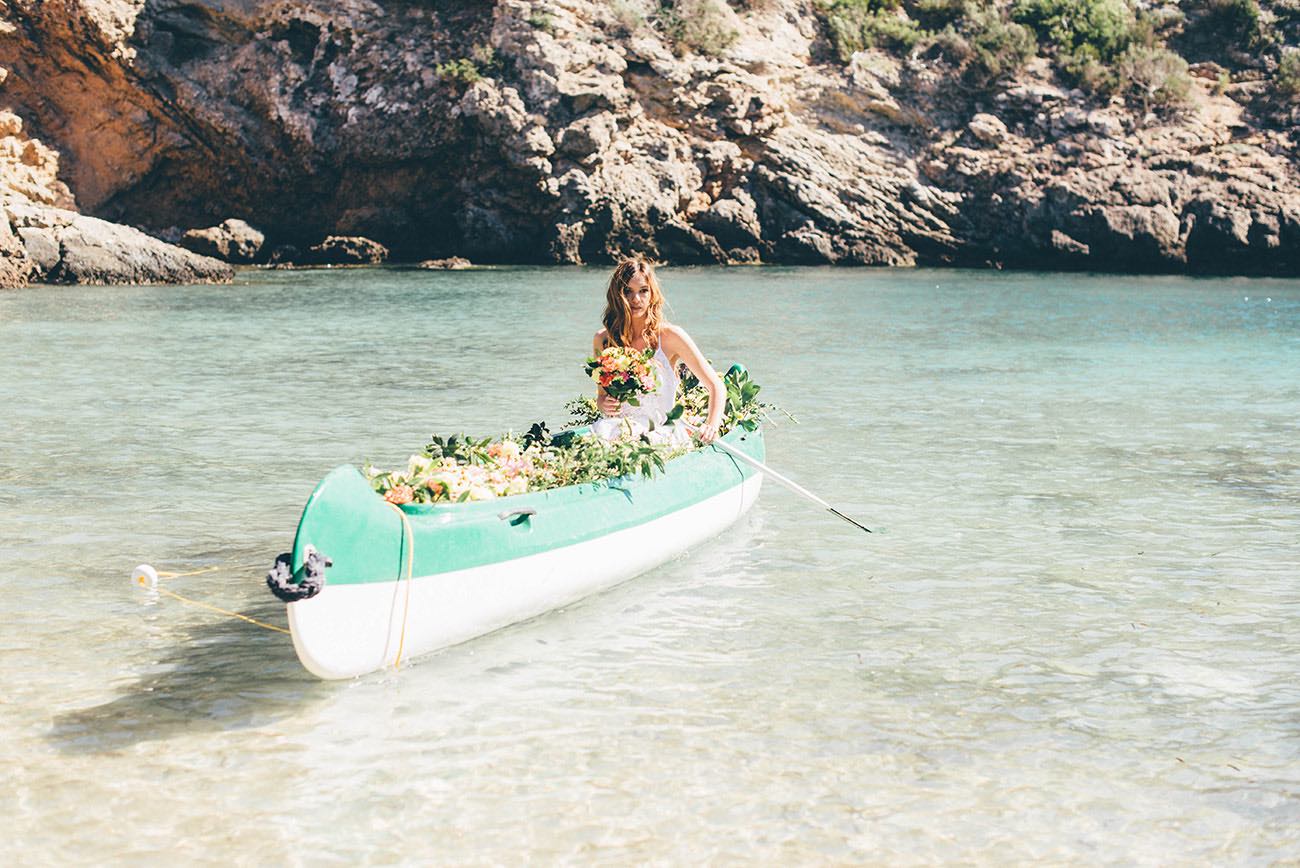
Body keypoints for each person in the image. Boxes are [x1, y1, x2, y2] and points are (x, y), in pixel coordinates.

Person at [591, 255, 724, 445]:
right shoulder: (603, 340)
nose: (635, 299)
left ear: (652, 293)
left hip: (660, 432)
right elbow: (601, 396)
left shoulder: (671, 337)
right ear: (617, 295)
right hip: (615, 429)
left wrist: (711, 425)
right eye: (628, 291)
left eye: (643, 291)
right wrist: (603, 404)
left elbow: (716, 386)